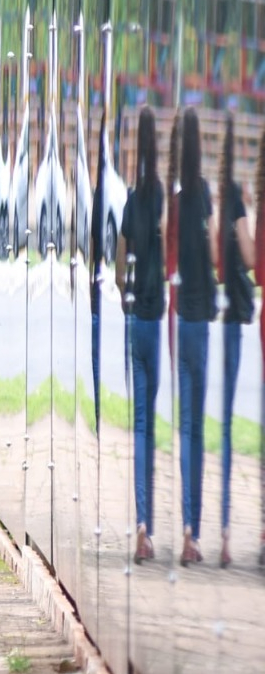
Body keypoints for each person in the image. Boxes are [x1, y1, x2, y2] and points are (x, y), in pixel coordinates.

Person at [116, 107, 165, 565]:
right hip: (158, 316)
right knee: (153, 424)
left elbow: (118, 267)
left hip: (135, 319)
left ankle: (142, 525)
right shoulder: (166, 198)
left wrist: (125, 296)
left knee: (140, 424)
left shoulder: (131, 200)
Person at [174, 107, 218, 567]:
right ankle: (193, 531)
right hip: (200, 319)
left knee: (177, 426)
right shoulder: (203, 195)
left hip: (176, 318)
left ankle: (176, 528)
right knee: (196, 428)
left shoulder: (172, 199)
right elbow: (214, 255)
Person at [217, 113, 255, 568]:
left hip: (208, 313)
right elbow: (249, 256)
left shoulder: (209, 197)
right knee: (227, 422)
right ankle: (227, 530)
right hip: (232, 320)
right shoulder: (236, 199)